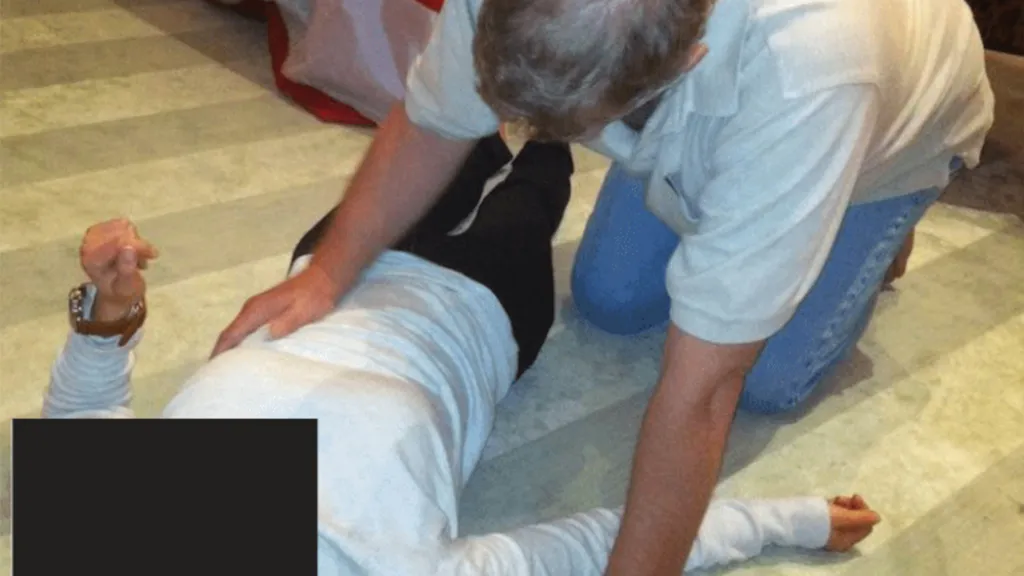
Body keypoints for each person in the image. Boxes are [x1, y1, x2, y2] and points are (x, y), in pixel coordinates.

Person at [210, 0, 994, 573]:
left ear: (683, 62)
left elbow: (704, 391)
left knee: (765, 383)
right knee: (610, 302)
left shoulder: (812, 70)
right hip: (710, 110)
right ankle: (737, 206)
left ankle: (872, 225)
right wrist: (328, 272)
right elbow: (430, 122)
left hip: (892, 138)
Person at [49, 138, 878, 574]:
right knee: (538, 180)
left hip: (328, 271)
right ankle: (549, 137)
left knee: (451, 137)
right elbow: (596, 548)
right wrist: (788, 520)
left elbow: (84, 417)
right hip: (476, 309)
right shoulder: (391, 565)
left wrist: (108, 305)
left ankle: (498, 106)